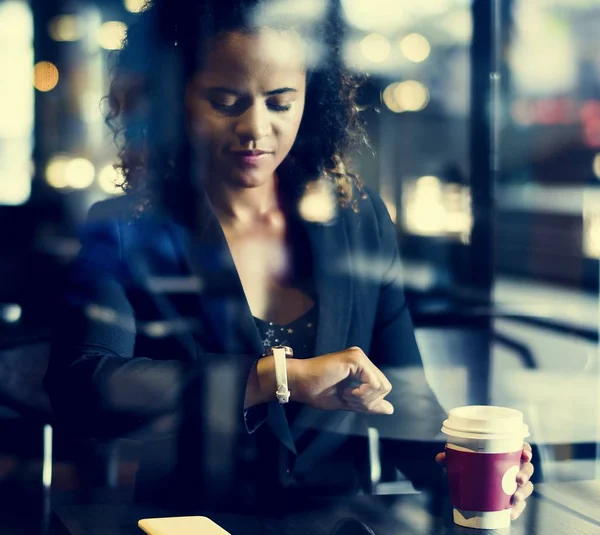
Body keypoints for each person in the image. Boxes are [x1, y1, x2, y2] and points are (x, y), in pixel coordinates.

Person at [44, 0, 534, 518]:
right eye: (226, 101)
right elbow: (84, 387)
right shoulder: (124, 230)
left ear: (311, 100)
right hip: (184, 522)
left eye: (279, 103)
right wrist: (281, 377)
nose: (255, 129)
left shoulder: (357, 218)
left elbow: (401, 401)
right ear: (176, 100)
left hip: (335, 523)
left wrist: (470, 465)